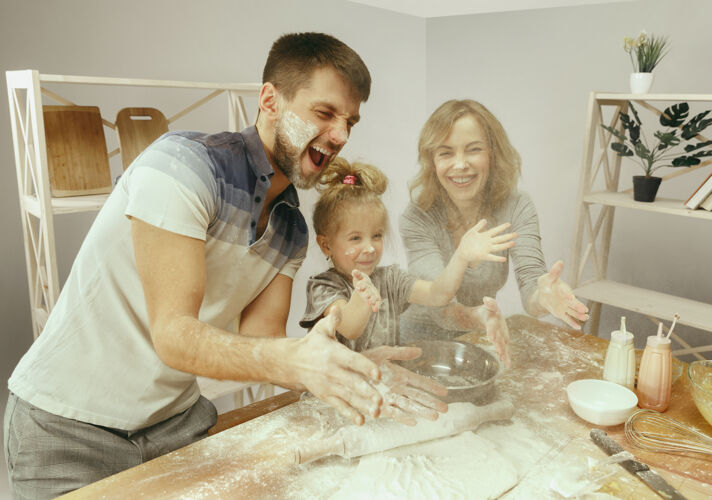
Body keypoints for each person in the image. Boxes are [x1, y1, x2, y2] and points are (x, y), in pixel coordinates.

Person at [4, 33, 445, 499]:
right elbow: (174, 333)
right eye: (324, 113)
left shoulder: (291, 228)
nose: (341, 136)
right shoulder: (181, 168)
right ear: (270, 100)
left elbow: (262, 345)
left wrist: (342, 364)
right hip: (66, 432)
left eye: (350, 122)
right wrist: (298, 361)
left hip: (174, 427)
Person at [399, 99, 589, 364]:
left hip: (476, 341)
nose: (460, 164)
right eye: (446, 153)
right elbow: (438, 303)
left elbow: (531, 284)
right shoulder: (418, 215)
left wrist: (543, 297)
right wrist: (482, 317)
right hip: (417, 346)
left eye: (473, 149)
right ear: (432, 162)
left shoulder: (516, 206)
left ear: (492, 153)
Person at [300, 157, 516, 359]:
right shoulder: (323, 287)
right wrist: (362, 295)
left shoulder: (390, 279)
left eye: (376, 236)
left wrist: (461, 256)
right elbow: (350, 327)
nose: (369, 248)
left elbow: (437, 294)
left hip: (384, 383)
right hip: (335, 393)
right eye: (355, 238)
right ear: (326, 245)